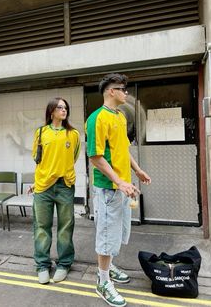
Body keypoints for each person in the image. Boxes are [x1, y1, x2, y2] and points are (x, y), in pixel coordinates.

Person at [86, 73, 151, 307]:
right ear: (110, 91)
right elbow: (95, 157)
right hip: (107, 190)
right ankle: (102, 281)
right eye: (122, 89)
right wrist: (119, 182)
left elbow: (123, 149)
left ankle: (108, 267)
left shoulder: (120, 117)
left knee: (116, 234)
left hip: (122, 188)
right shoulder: (97, 118)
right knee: (106, 236)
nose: (126, 92)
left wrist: (138, 171)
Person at [31, 97, 81, 284]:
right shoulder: (41, 132)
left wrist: (60, 171)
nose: (64, 110)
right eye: (60, 107)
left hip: (65, 185)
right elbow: (37, 158)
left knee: (65, 227)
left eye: (66, 107)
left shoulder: (73, 134)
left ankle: (64, 263)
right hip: (43, 186)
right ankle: (43, 265)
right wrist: (38, 180)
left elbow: (73, 157)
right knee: (41, 227)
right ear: (51, 111)